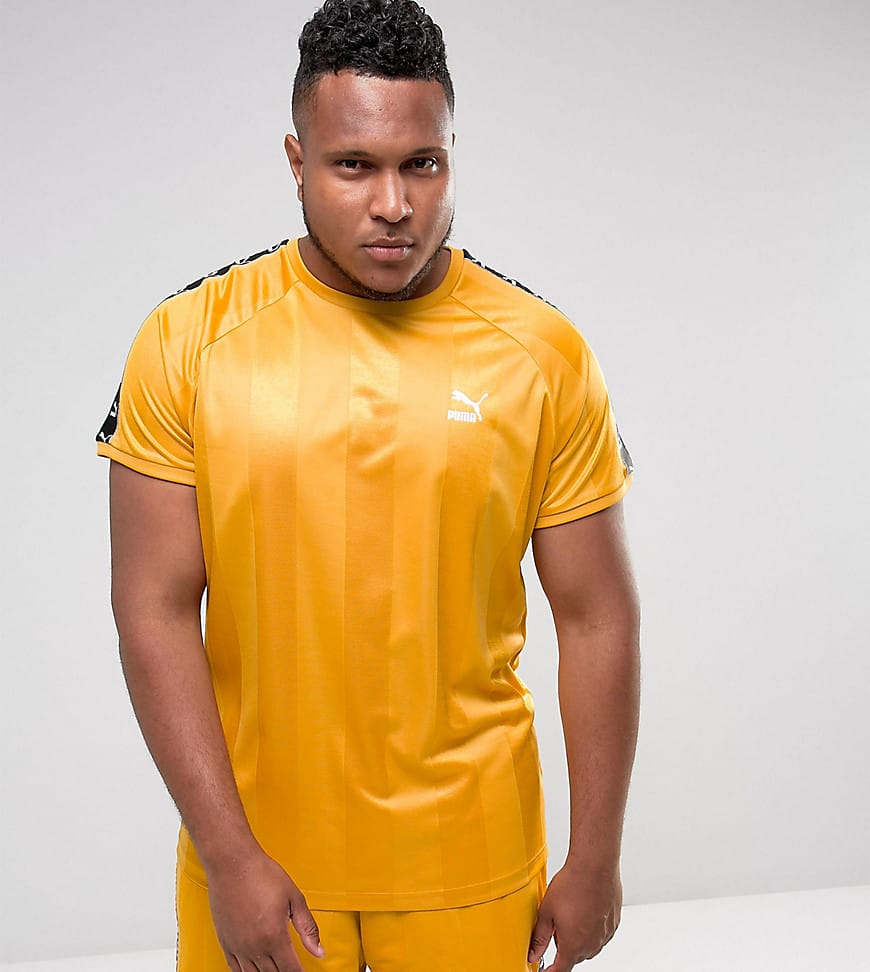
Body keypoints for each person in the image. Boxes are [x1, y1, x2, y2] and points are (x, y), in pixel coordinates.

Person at [96, 1, 640, 970]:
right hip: (263, 863)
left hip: (471, 862)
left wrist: (596, 858)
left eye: (420, 164)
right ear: (297, 161)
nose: (393, 203)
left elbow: (597, 616)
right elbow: (153, 608)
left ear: (450, 157)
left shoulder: (543, 355)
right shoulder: (187, 343)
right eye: (353, 165)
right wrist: (227, 855)